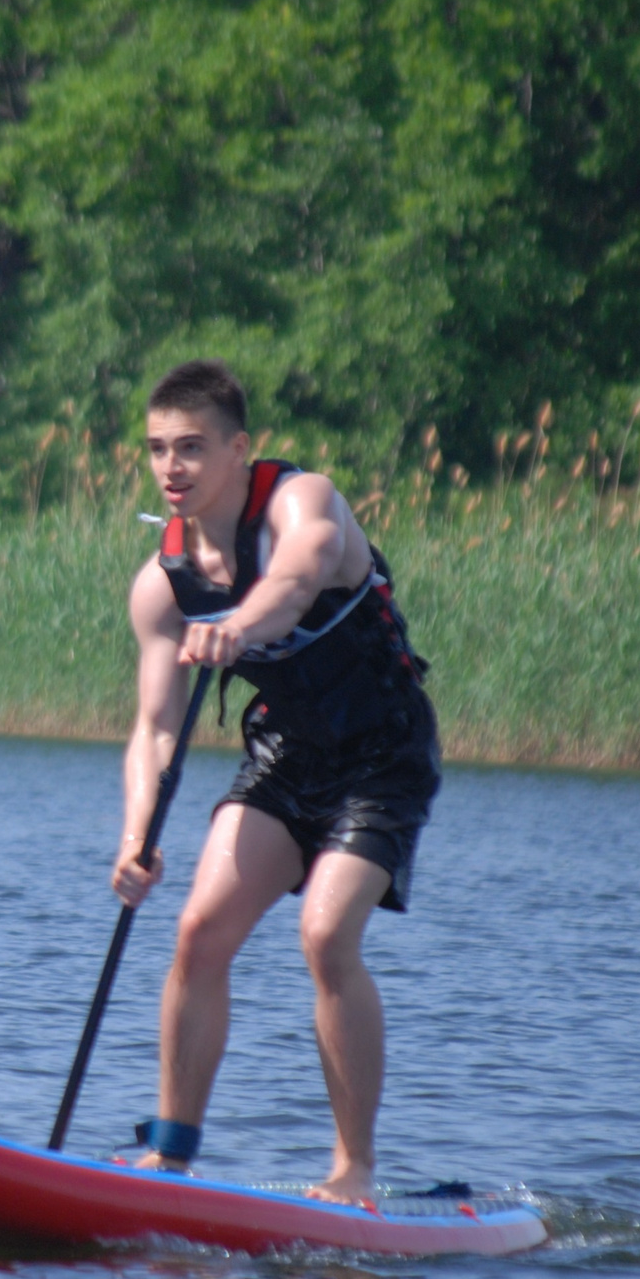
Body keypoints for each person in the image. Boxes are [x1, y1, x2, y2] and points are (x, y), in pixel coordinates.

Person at [110, 358, 440, 1205]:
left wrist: (239, 628)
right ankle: (169, 1156)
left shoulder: (303, 501)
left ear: (239, 449)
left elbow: (296, 581)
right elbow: (152, 729)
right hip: (288, 755)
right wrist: (137, 837)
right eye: (156, 450)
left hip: (385, 754)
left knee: (327, 938)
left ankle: (353, 1172)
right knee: (198, 932)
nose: (171, 468)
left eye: (191, 447)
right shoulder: (163, 584)